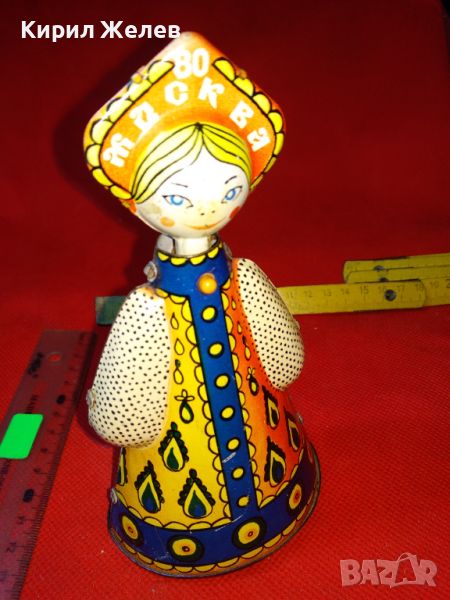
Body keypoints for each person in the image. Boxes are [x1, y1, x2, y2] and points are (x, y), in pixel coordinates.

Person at [85, 33, 319, 577]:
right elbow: (123, 419)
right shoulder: (146, 311)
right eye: (177, 197)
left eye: (230, 189)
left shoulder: (243, 277)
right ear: (137, 200)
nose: (210, 207)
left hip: (274, 463)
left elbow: (284, 362)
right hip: (172, 499)